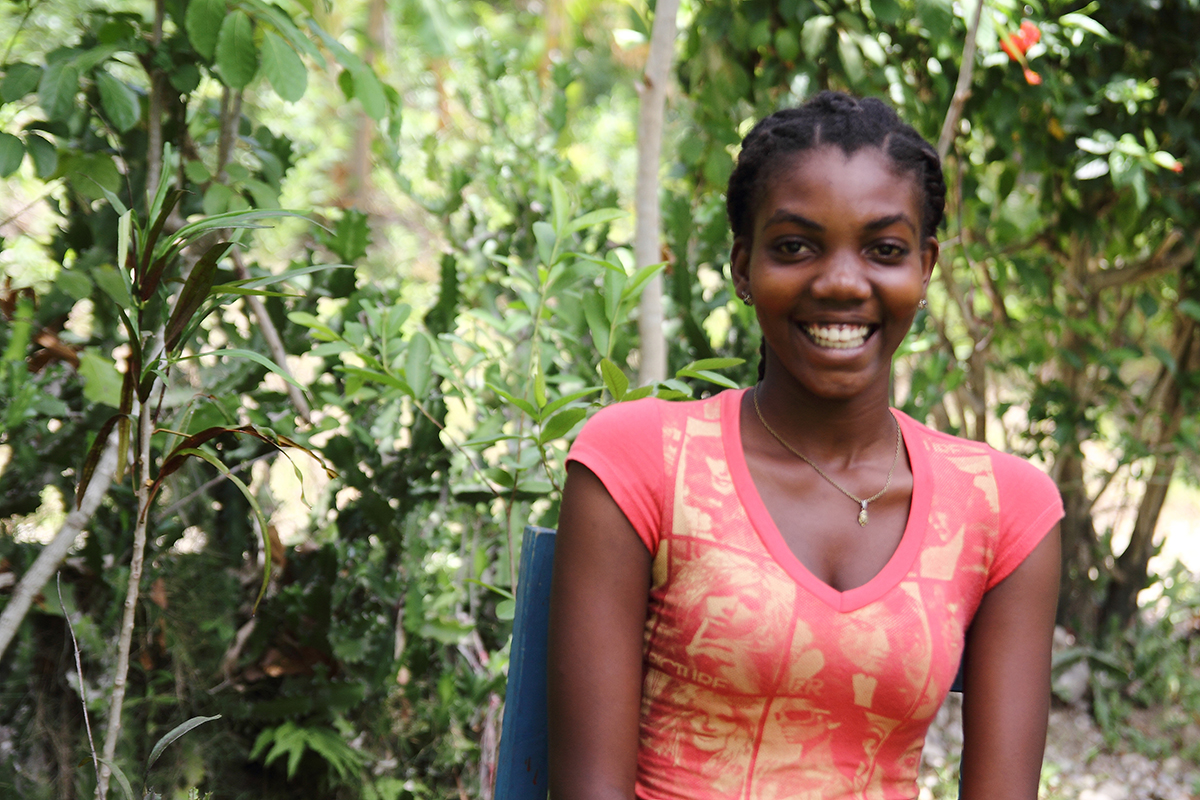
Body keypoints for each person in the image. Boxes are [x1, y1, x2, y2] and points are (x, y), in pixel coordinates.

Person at [547, 91, 1063, 800]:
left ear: (926, 266)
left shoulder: (1005, 508)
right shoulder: (643, 463)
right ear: (741, 267)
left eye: (884, 250)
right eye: (795, 247)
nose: (842, 283)